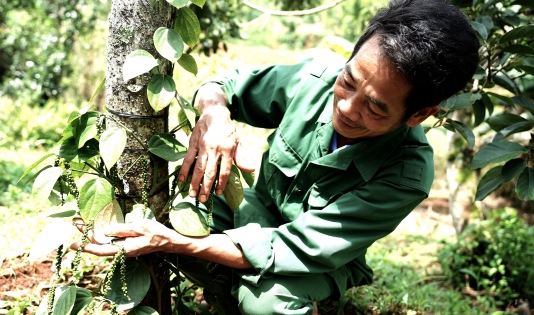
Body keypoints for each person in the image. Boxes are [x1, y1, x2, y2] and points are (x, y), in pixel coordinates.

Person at [76, 0, 480, 313]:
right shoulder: (316, 78)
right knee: (189, 194)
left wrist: (181, 243)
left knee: (266, 302)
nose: (346, 108)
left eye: (374, 108)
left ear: (419, 115)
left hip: (318, 258)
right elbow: (224, 84)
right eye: (349, 81)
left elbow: (297, 246)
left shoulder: (405, 174)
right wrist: (215, 115)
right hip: (251, 212)